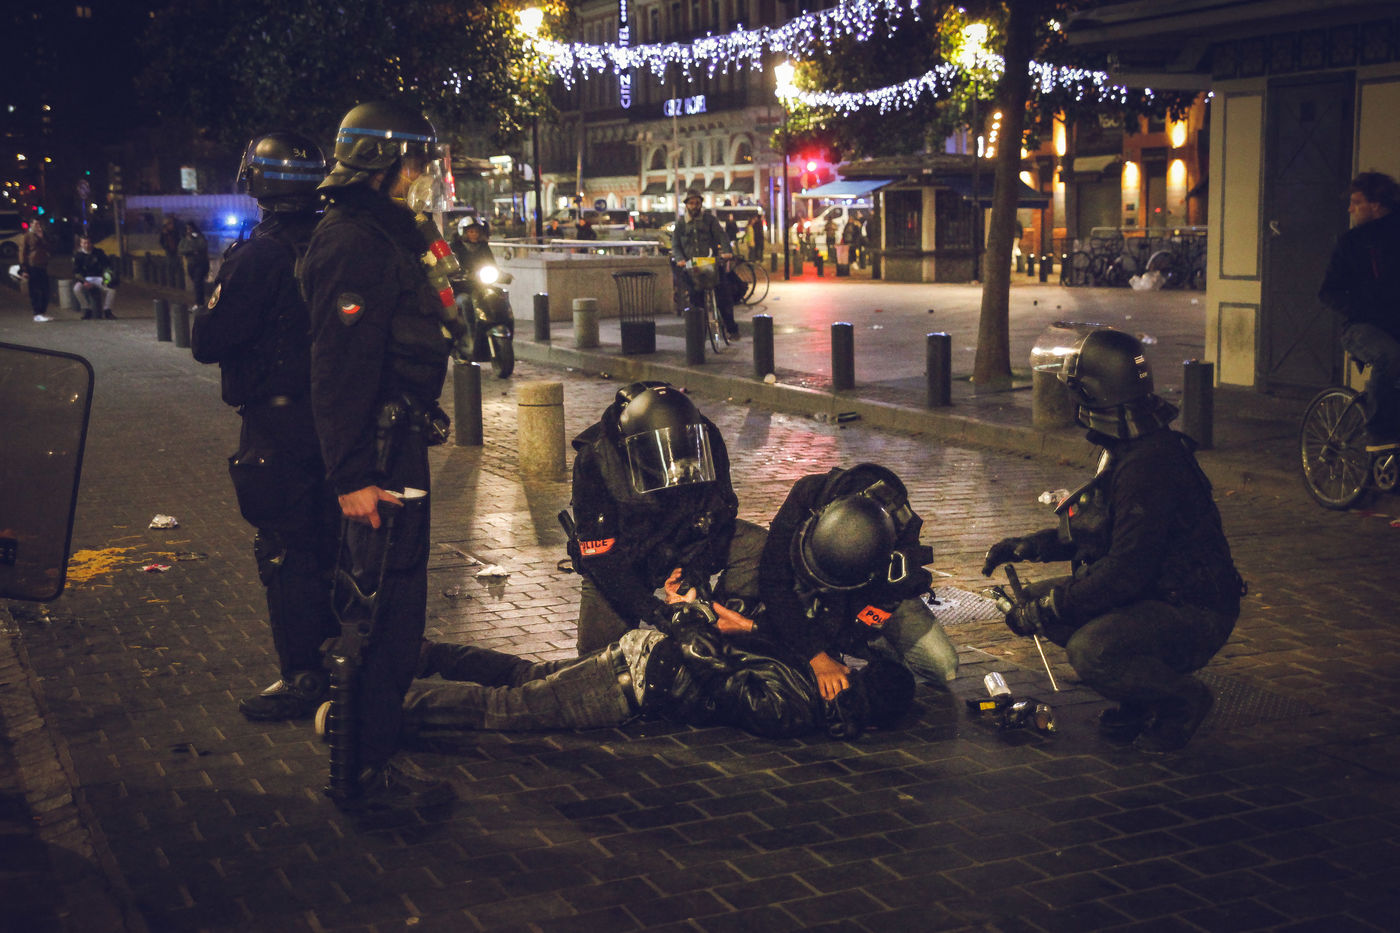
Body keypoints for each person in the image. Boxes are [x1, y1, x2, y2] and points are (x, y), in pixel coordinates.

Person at [981, 328, 1245, 753]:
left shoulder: (1149, 465)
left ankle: (1180, 702)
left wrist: (1052, 606)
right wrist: (1030, 546)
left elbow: (1126, 571)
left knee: (1091, 649)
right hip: (1157, 591)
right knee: (1040, 601)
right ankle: (1139, 699)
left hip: (1192, 608)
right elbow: (1100, 529)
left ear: (1093, 394)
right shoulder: (1132, 447)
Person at [299, 100, 456, 811]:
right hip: (378, 459)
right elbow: (337, 368)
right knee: (379, 611)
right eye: (414, 161)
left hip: (399, 444)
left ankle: (374, 749)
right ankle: (363, 772)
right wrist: (352, 476)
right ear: (380, 163)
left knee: (398, 607)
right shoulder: (351, 241)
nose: (422, 175)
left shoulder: (387, 233)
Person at [190, 131, 338, 723]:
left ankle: (305, 676)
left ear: (258, 183)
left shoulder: (259, 256)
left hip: (280, 427)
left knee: (288, 553)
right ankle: (349, 667)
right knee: (338, 548)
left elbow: (208, 340)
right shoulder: (341, 242)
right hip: (342, 422)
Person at [394, 597, 916, 744]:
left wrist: (706, 627)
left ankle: (425, 656)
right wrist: (699, 626)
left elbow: (737, 670)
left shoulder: (806, 685)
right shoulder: (801, 702)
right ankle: (383, 702)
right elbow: (719, 675)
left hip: (647, 659)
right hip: (644, 677)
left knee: (527, 678)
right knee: (508, 709)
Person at [563, 381, 744, 655]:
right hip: (627, 552)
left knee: (753, 545)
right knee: (597, 654)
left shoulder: (704, 435)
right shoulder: (596, 456)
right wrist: (657, 613)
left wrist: (696, 573)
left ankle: (729, 623)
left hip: (687, 538)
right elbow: (601, 558)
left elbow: (723, 512)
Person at [751, 463, 959, 697]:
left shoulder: (899, 529)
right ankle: (819, 640)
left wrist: (853, 647)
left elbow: (885, 602)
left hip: (868, 597)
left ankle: (850, 648)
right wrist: (815, 655)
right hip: (808, 591)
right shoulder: (808, 495)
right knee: (788, 632)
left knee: (942, 666)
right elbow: (772, 582)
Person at [1318, 171, 1400, 448]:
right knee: (1390, 356)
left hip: (1394, 323)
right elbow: (1327, 291)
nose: (1350, 209)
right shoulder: (1352, 243)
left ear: (1376, 205)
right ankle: (1379, 433)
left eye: (1356, 202)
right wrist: (1364, 306)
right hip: (1361, 325)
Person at [671, 189, 738, 338]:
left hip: (711, 264)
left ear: (701, 204)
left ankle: (732, 329)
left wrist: (727, 252)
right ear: (686, 205)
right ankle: (699, 335)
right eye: (691, 203)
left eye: (697, 203)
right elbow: (675, 244)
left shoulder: (710, 220)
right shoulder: (681, 224)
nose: (694, 206)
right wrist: (680, 259)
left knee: (723, 297)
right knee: (696, 301)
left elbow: (722, 236)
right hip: (692, 267)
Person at [72, 235, 117, 319]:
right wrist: (84, 282)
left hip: (98, 277)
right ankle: (86, 308)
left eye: (88, 243)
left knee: (111, 290)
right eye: (84, 243)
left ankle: (107, 310)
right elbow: (76, 272)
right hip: (85, 278)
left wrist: (107, 278)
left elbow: (107, 266)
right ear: (81, 244)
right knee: (76, 289)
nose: (87, 245)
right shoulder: (78, 255)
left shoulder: (99, 253)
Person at [19, 222, 52, 322]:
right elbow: (22, 252)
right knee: (35, 290)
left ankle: (42, 311)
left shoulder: (44, 236)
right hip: (32, 266)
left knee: (46, 290)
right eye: (36, 224)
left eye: (39, 224)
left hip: (43, 265)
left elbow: (49, 247)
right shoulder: (27, 236)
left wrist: (42, 237)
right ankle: (37, 313)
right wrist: (24, 269)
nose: (38, 226)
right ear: (31, 225)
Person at [451, 215, 495, 280]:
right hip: (461, 281)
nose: (474, 234)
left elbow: (491, 262)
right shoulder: (455, 246)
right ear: (463, 232)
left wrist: (499, 274)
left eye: (477, 232)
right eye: (471, 232)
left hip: (481, 280)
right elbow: (451, 264)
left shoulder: (483, 246)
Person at [179, 221, 211, 308]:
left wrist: (191, 247)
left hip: (200, 263)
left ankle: (199, 302)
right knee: (197, 283)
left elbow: (202, 246)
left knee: (198, 282)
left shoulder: (199, 237)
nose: (188, 231)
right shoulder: (184, 239)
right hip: (191, 264)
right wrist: (192, 251)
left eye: (190, 229)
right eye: (187, 229)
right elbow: (181, 249)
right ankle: (201, 300)